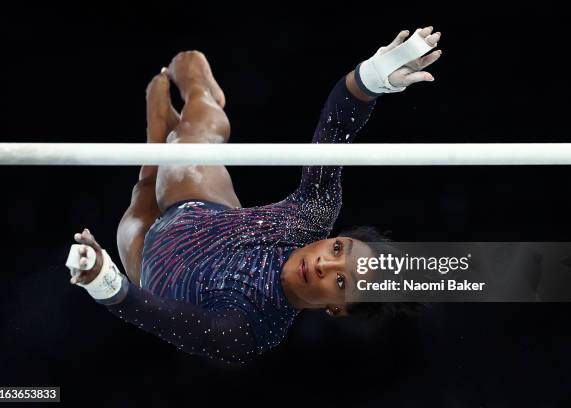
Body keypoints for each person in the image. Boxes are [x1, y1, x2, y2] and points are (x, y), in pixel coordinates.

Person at [68, 26, 443, 364]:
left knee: (144, 191)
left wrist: (104, 281)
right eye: (338, 250)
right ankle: (195, 102)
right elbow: (336, 128)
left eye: (340, 282)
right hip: (202, 215)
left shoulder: (252, 330)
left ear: (336, 309)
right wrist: (374, 78)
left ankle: (156, 136)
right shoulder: (311, 217)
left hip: (151, 263)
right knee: (191, 89)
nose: (324, 265)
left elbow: (163, 318)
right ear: (335, 238)